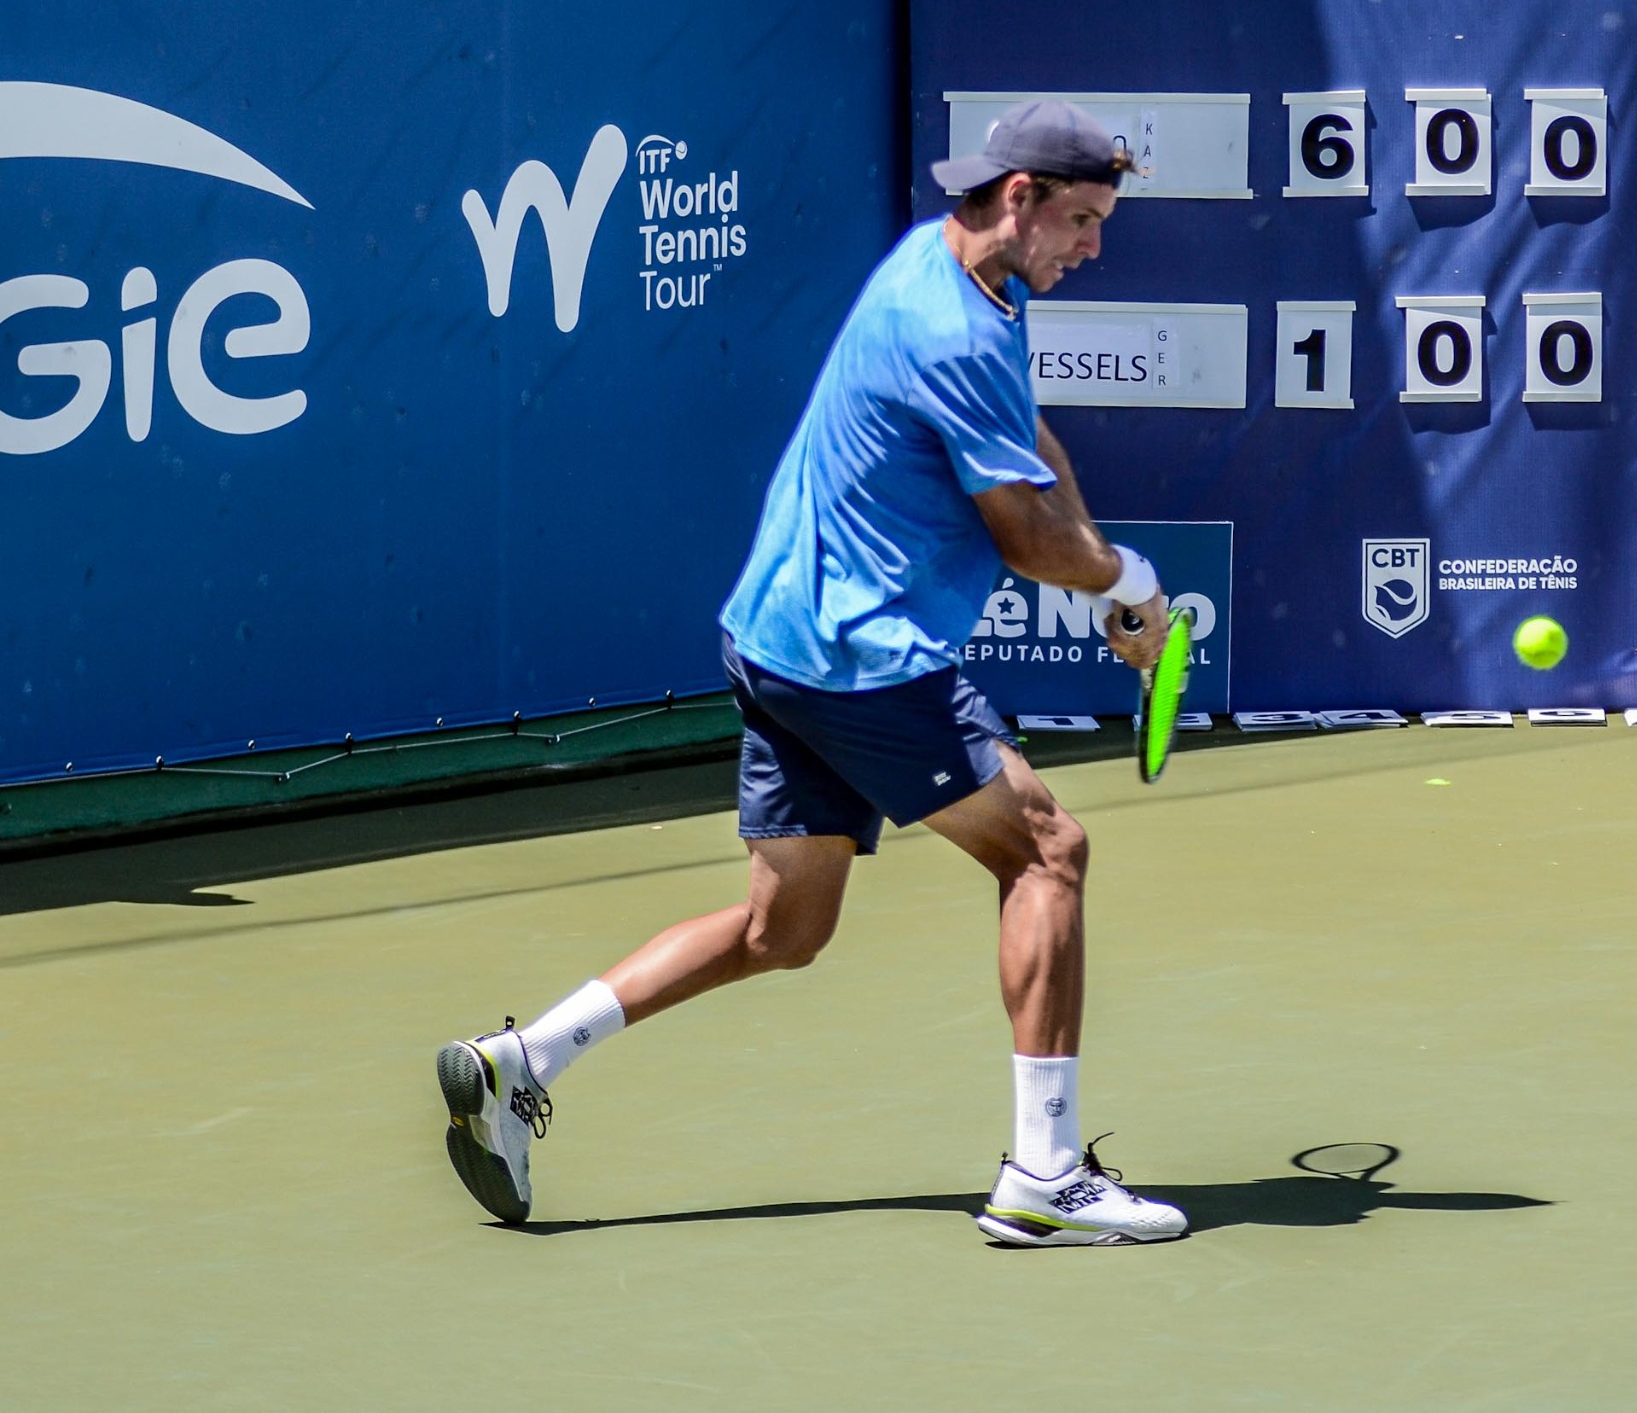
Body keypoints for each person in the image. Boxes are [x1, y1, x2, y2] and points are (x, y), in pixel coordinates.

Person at [435, 100, 1189, 1247]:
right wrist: (1127, 578)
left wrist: (1122, 585)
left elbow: (1032, 449)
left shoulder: (952, 272)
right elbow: (1024, 538)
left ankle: (517, 1062)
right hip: (861, 658)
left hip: (776, 639)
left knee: (780, 931)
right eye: (1083, 220)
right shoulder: (957, 330)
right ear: (1020, 198)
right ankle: (1044, 1175)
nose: (1095, 245)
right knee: (1047, 850)